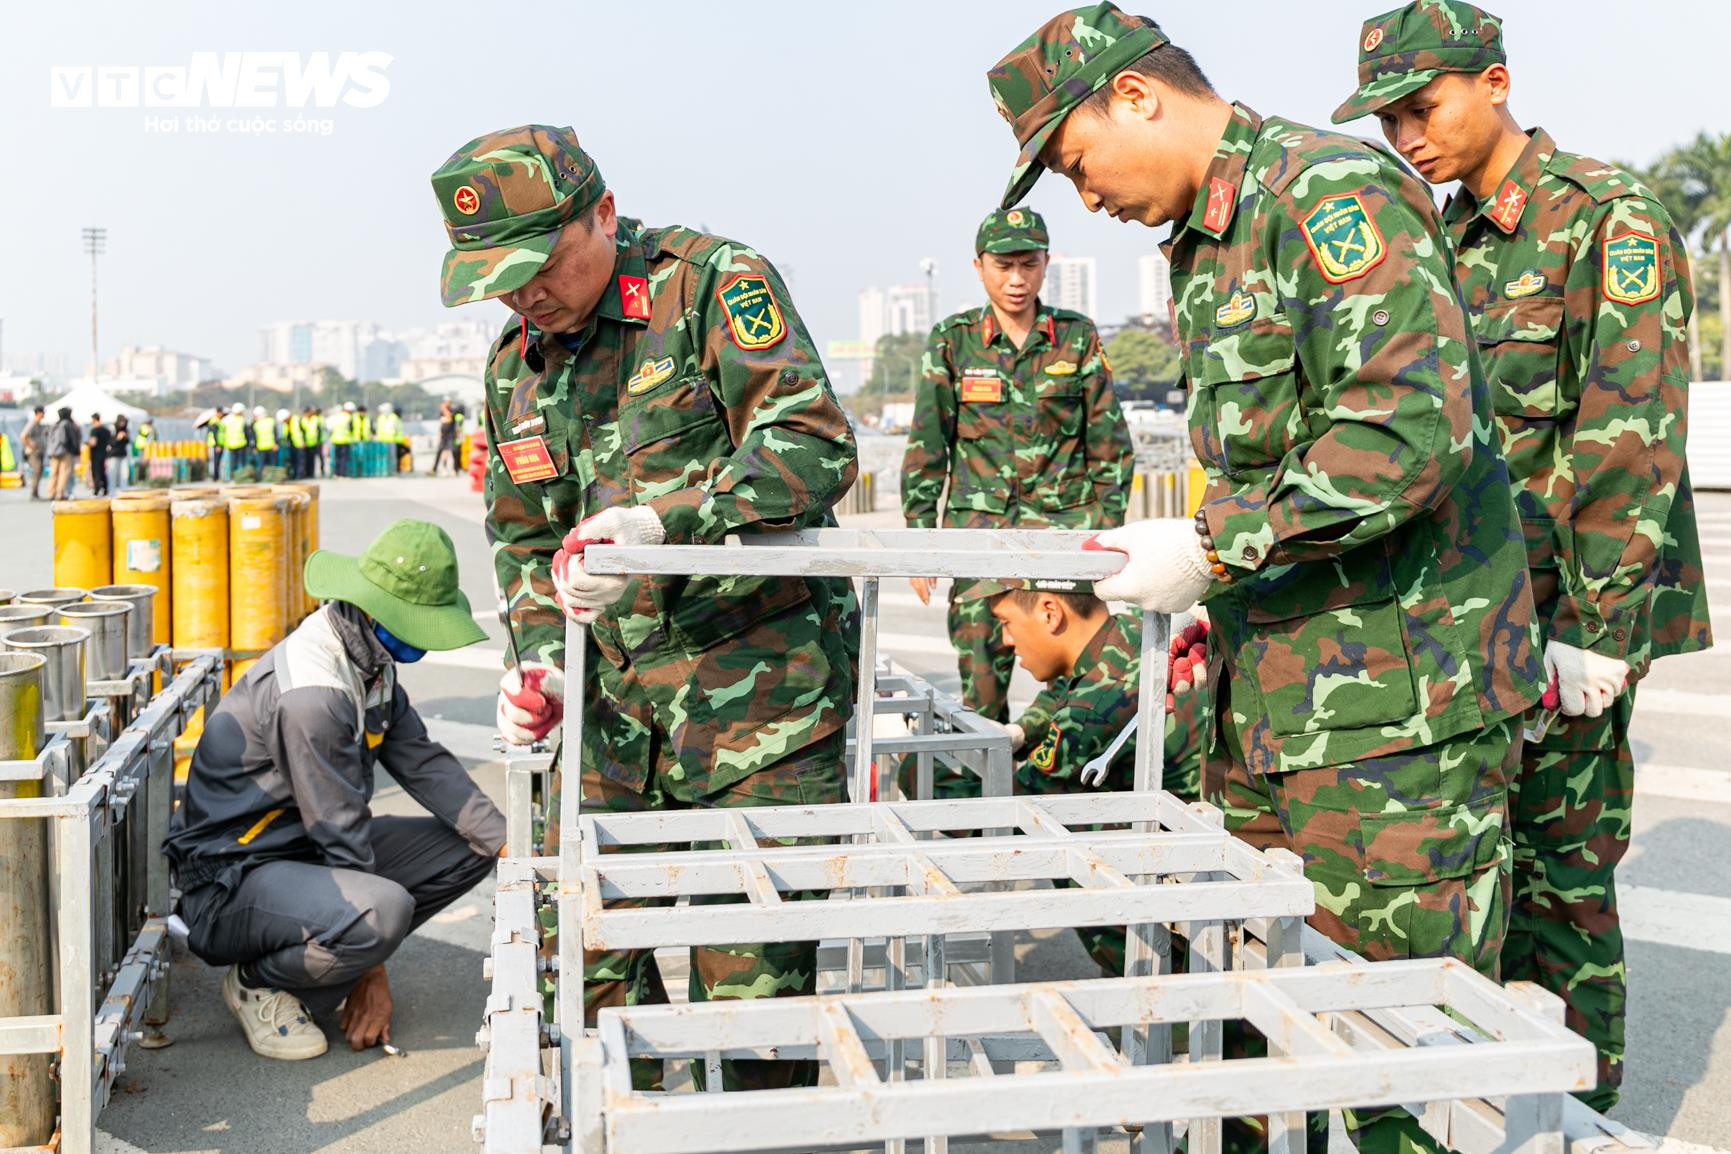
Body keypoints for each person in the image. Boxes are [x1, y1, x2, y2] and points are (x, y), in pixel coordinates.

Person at [984, 7, 1543, 1150]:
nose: (1084, 198)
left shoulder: (1324, 194)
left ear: (1136, 96)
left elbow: (1406, 431)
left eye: (1078, 163)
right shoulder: (1208, 242)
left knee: (1395, 1064)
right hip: (1274, 709)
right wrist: (1224, 595)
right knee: (1253, 1037)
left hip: (1396, 725)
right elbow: (1272, 454)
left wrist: (1212, 546)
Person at [1330, 0, 1715, 1109]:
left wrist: (1596, 631)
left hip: (1565, 627)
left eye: (1422, 107)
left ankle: (1582, 1117)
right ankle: (1494, 1108)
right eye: (1387, 120)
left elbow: (1631, 437)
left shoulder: (1604, 218)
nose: (1406, 136)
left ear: (1494, 83)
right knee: (1474, 883)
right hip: (1469, 623)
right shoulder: (1440, 239)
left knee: (1563, 885)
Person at [434, 123, 859, 1092]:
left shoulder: (709, 288)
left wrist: (665, 522)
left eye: (539, 266)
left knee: (752, 1011)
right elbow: (525, 541)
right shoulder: (514, 368)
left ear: (604, 213)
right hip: (609, 722)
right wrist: (541, 667)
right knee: (585, 990)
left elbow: (813, 445)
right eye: (499, 281)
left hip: (757, 715)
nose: (524, 295)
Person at [164, 520, 502, 1061]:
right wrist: (374, 971)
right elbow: (341, 834)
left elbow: (421, 760)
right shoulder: (314, 694)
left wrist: (512, 846)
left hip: (297, 851)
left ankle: (334, 952)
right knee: (381, 913)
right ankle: (260, 983)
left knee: (471, 847)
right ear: (374, 610)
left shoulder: (368, 659)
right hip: (232, 879)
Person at [900, 206, 1134, 743]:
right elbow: (927, 445)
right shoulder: (953, 340)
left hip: (1064, 537)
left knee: (1083, 676)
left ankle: (1067, 778)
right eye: (1003, 265)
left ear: (1046, 264)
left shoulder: (1075, 337)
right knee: (980, 691)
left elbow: (1110, 446)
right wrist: (918, 537)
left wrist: (1104, 535)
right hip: (978, 542)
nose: (1016, 279)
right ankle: (982, 793)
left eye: (1028, 265)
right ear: (978, 266)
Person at [45, 407, 80, 499]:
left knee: (53, 473)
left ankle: (51, 493)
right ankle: (60, 494)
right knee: (64, 472)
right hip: (65, 452)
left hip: (53, 452)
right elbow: (72, 439)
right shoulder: (68, 425)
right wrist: (75, 451)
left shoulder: (55, 424)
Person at [20, 405, 46, 500]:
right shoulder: (32, 423)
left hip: (38, 451)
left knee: (39, 471)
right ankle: (33, 493)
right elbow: (23, 436)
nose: (44, 414)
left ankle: (35, 493)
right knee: (37, 471)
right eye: (43, 412)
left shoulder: (38, 424)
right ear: (38, 413)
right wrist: (31, 446)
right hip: (33, 452)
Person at [218, 403, 248, 480]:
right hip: (241, 444)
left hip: (230, 445)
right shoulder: (242, 420)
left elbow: (221, 432)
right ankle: (242, 477)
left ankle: (233, 477)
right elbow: (246, 432)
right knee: (242, 462)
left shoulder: (226, 420)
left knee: (233, 463)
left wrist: (221, 443)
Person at [86, 413, 112, 497]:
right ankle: (105, 489)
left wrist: (87, 444)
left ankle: (97, 489)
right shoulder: (106, 430)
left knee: (96, 472)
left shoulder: (94, 430)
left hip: (95, 454)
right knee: (103, 472)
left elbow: (93, 442)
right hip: (104, 454)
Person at [431, 398, 458, 475]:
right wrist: (439, 435)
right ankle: (440, 468)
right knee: (442, 452)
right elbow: (441, 424)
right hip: (443, 436)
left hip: (451, 435)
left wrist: (444, 408)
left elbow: (449, 417)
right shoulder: (441, 413)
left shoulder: (453, 410)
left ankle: (454, 469)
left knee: (453, 452)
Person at [330, 402, 356, 478]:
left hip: (335, 440)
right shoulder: (349, 417)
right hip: (344, 440)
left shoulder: (337, 416)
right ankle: (342, 474)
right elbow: (351, 428)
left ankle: (336, 474)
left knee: (337, 458)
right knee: (344, 458)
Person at [109, 414, 131, 492]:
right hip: (114, 454)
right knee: (113, 473)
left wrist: (126, 437)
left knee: (124, 473)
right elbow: (110, 442)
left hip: (123, 454)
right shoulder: (113, 429)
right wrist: (117, 438)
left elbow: (128, 442)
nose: (123, 423)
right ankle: (112, 490)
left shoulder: (126, 429)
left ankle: (123, 490)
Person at [251, 406, 277, 473]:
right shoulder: (271, 421)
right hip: (269, 446)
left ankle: (264, 476)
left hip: (263, 447)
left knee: (263, 465)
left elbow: (254, 437)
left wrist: (254, 447)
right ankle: (270, 476)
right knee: (271, 464)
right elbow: (276, 434)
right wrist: (276, 443)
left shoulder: (256, 424)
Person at [302, 405, 325, 478]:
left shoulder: (316, 419)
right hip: (308, 443)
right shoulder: (303, 420)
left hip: (317, 442)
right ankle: (309, 473)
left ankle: (322, 472)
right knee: (309, 459)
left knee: (320, 457)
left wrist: (318, 441)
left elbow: (319, 431)